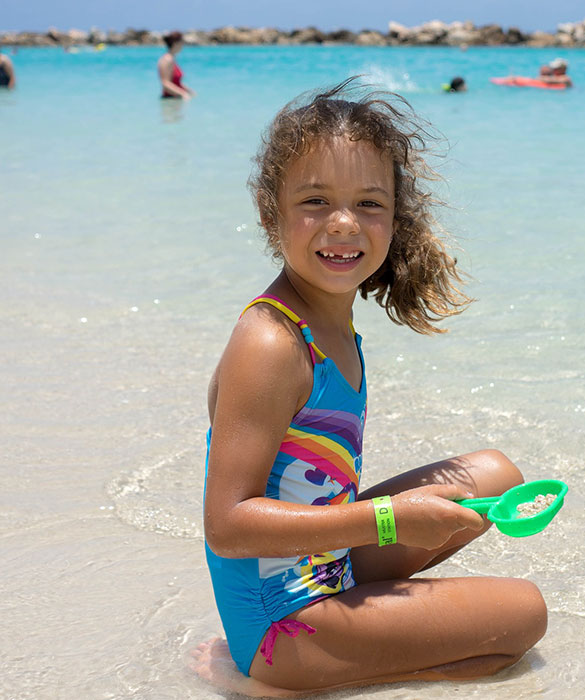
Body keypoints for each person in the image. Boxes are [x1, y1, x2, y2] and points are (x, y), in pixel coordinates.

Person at [192, 79, 547, 696]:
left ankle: (360, 648)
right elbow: (227, 524)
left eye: (369, 204)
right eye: (315, 201)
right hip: (282, 624)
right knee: (525, 615)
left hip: (324, 563)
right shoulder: (272, 341)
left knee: (495, 473)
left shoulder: (334, 322)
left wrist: (383, 524)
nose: (343, 224)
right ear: (271, 214)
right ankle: (270, 682)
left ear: (394, 218)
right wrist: (386, 521)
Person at [157, 31, 194, 99]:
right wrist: (183, 94)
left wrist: (189, 91)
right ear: (176, 43)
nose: (183, 45)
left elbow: (175, 83)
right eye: (181, 43)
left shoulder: (172, 59)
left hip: (175, 100)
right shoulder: (166, 59)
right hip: (169, 100)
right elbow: (165, 83)